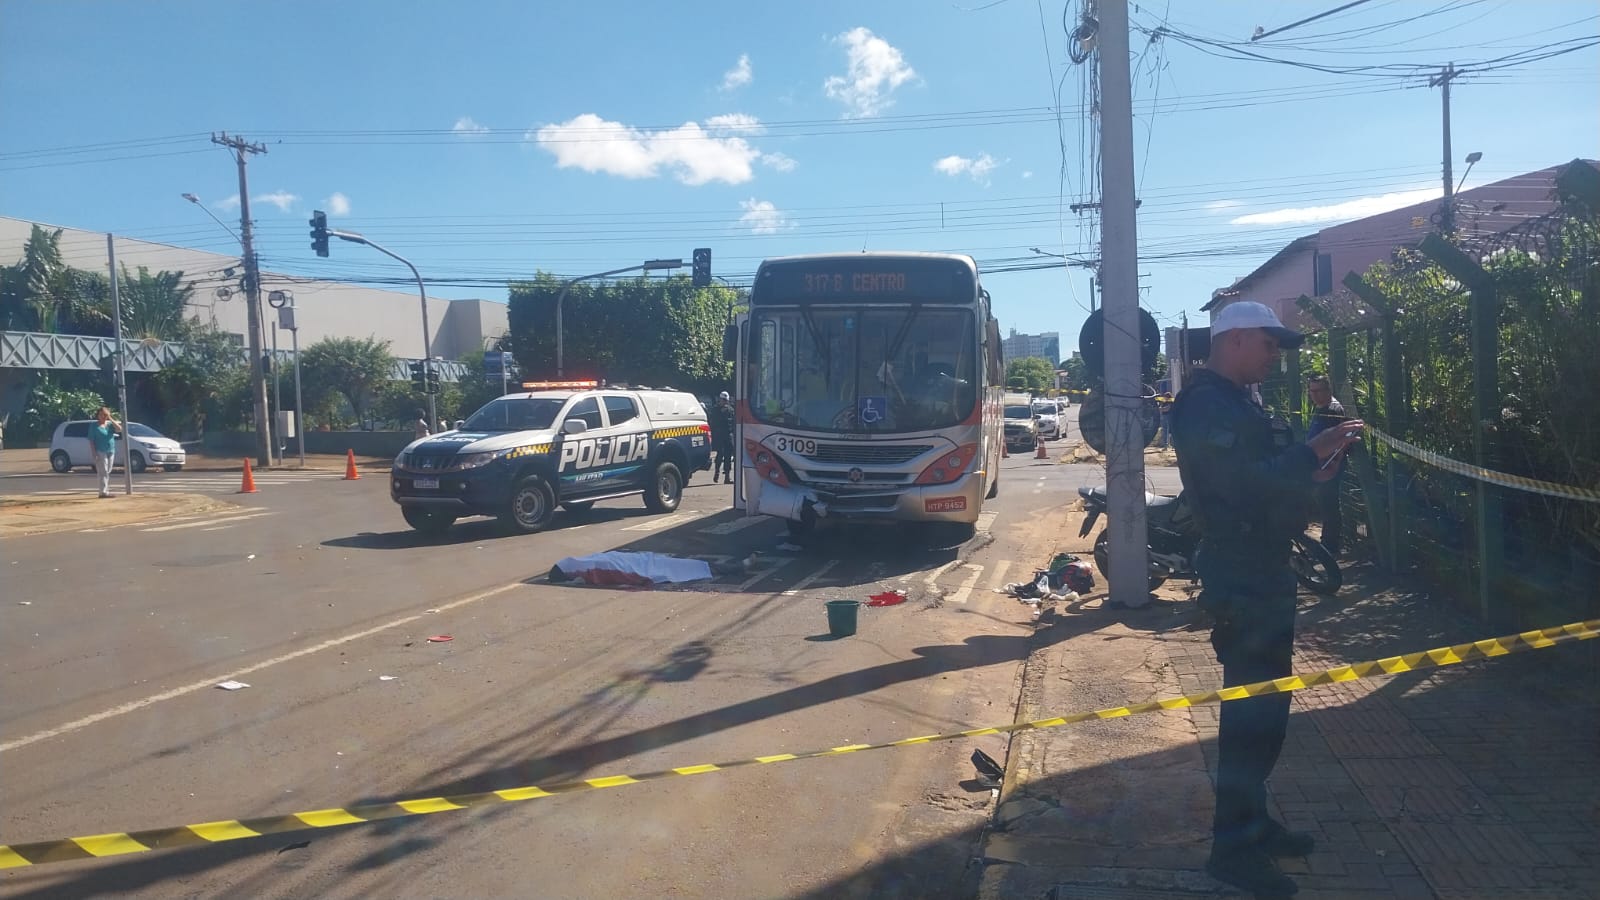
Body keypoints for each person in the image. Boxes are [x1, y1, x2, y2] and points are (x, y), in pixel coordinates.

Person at [1168, 301, 1364, 897]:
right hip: (1242, 570)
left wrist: (1314, 471)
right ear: (1235, 341)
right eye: (1269, 344)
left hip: (1266, 566)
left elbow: (1264, 475)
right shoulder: (1204, 404)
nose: (1276, 355)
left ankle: (1252, 824)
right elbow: (1241, 484)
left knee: (1269, 712)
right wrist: (1310, 451)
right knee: (1250, 716)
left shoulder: (1238, 400)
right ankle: (1231, 850)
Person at [1306, 374, 1348, 556]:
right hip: (1320, 463)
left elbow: (1340, 441)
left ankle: (1330, 546)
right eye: (1311, 391)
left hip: (1329, 465)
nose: (1314, 395)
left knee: (1329, 503)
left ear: (1328, 390)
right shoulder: (1322, 408)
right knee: (1325, 503)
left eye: (1318, 390)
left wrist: (1332, 463)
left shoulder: (1333, 410)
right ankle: (1327, 544)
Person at [89, 407, 124, 498]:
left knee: (108, 470)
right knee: (103, 471)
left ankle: (105, 491)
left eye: (105, 415)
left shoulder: (109, 425)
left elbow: (119, 429)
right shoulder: (94, 426)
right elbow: (91, 440)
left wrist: (111, 418)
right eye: (101, 414)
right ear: (98, 415)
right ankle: (103, 492)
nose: (103, 416)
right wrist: (94, 453)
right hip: (100, 451)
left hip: (111, 450)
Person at [709, 391, 735, 483]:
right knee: (720, 454)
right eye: (722, 400)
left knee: (728, 456)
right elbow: (712, 423)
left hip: (728, 435)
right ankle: (717, 472)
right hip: (719, 435)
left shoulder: (731, 410)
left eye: (725, 400)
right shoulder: (715, 410)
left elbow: (733, 423)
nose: (723, 402)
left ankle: (727, 477)